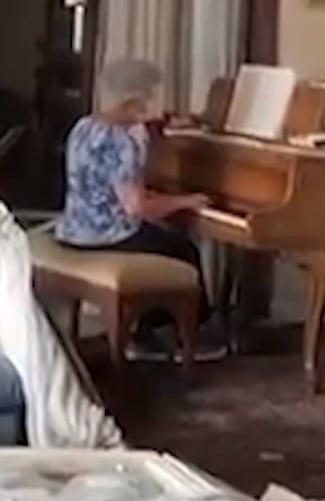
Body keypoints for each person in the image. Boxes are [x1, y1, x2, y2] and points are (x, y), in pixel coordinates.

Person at [54, 58, 226, 363]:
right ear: (136, 98)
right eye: (150, 94)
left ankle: (148, 330)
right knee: (183, 249)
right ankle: (183, 338)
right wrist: (185, 201)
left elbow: (106, 185)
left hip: (74, 231)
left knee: (163, 239)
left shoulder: (85, 126)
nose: (153, 100)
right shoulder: (125, 139)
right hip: (105, 237)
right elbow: (138, 209)